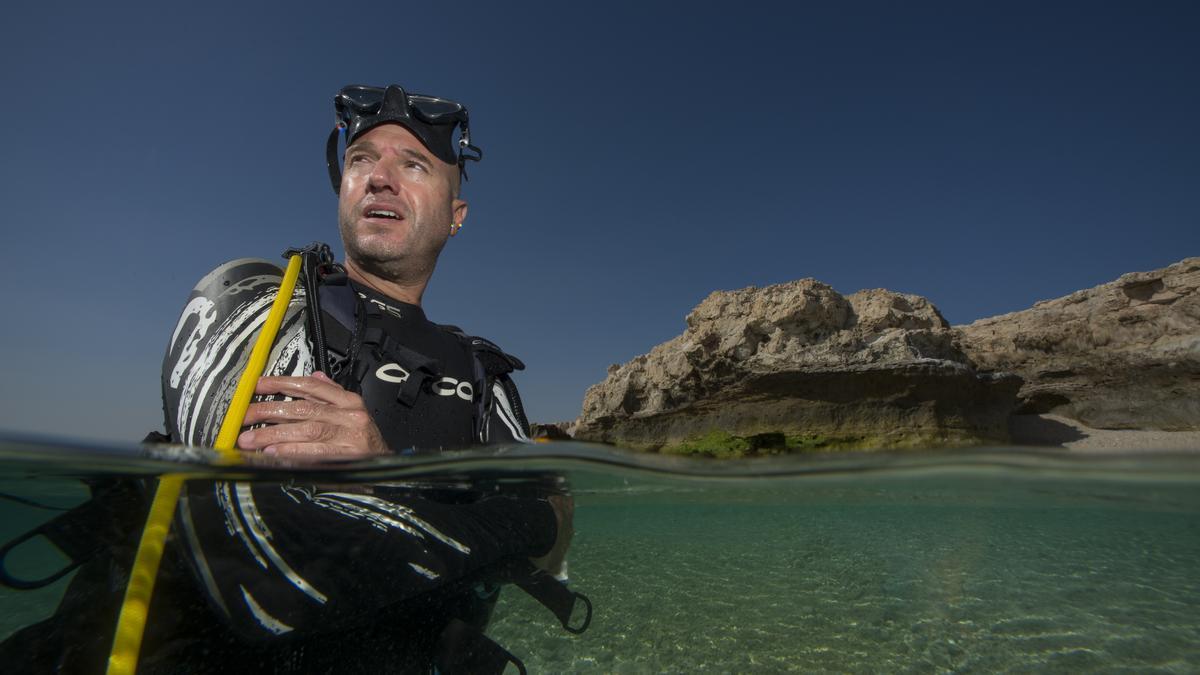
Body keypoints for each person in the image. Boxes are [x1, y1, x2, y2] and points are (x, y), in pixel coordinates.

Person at [0, 84, 582, 674]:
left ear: (455, 216)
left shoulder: (484, 375)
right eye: (361, 159)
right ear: (343, 188)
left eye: (414, 165)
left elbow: (555, 532)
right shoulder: (257, 301)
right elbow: (265, 578)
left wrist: (384, 481)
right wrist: (498, 525)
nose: (380, 178)